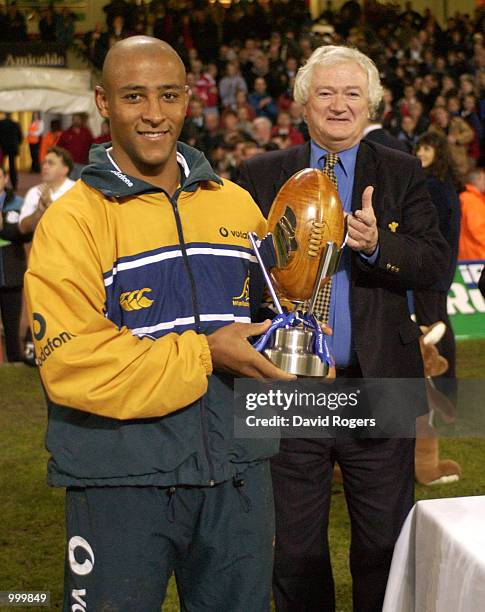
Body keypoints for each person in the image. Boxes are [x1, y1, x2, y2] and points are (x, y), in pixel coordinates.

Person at [24, 36, 294, 612]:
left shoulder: (237, 205)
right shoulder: (71, 220)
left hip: (238, 475)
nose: (154, 113)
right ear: (103, 100)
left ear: (187, 101)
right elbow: (75, 366)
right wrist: (206, 354)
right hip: (119, 481)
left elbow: (278, 322)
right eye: (134, 96)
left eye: (168, 95)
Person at [238, 44, 449, 612]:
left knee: (385, 546)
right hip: (286, 389)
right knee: (294, 552)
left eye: (352, 93)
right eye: (325, 93)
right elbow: (239, 276)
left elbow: (434, 263)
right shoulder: (259, 174)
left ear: (371, 105)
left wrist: (379, 245)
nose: (338, 104)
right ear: (303, 105)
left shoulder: (401, 170)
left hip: (377, 385)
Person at [414, 131, 461, 380]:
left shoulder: (432, 186)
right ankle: (447, 382)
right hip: (442, 266)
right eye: (419, 148)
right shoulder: (445, 183)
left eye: (427, 149)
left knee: (434, 327)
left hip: (431, 267)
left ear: (438, 154)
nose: (421, 153)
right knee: (440, 322)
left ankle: (441, 378)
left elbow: (428, 229)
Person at [0, 167, 29, 362]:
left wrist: (3, 229)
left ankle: (14, 362)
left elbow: (23, 233)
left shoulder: (18, 203)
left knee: (11, 327)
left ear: (5, 178)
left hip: (11, 275)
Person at [19, 146, 75, 235]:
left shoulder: (76, 190)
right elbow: (23, 228)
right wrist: (38, 212)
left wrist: (51, 208)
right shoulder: (34, 191)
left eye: (51, 163)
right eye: (44, 163)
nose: (45, 166)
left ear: (65, 169)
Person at [458, 168, 485, 260]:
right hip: (476, 256)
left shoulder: (465, 197)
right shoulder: (472, 201)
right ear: (477, 180)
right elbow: (478, 228)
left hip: (468, 254)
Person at [57, 113, 94, 180]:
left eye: (78, 119)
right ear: (72, 120)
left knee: (81, 184)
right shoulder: (66, 133)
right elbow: (58, 147)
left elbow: (92, 145)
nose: (76, 121)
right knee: (70, 184)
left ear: (81, 120)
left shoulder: (86, 132)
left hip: (82, 163)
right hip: (70, 164)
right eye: (75, 119)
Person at [0, 113, 23, 191]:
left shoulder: (1, 123)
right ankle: (14, 185)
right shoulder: (15, 124)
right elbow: (20, 136)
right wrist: (17, 144)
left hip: (2, 147)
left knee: (1, 167)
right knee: (13, 167)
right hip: (13, 147)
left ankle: (1, 184)